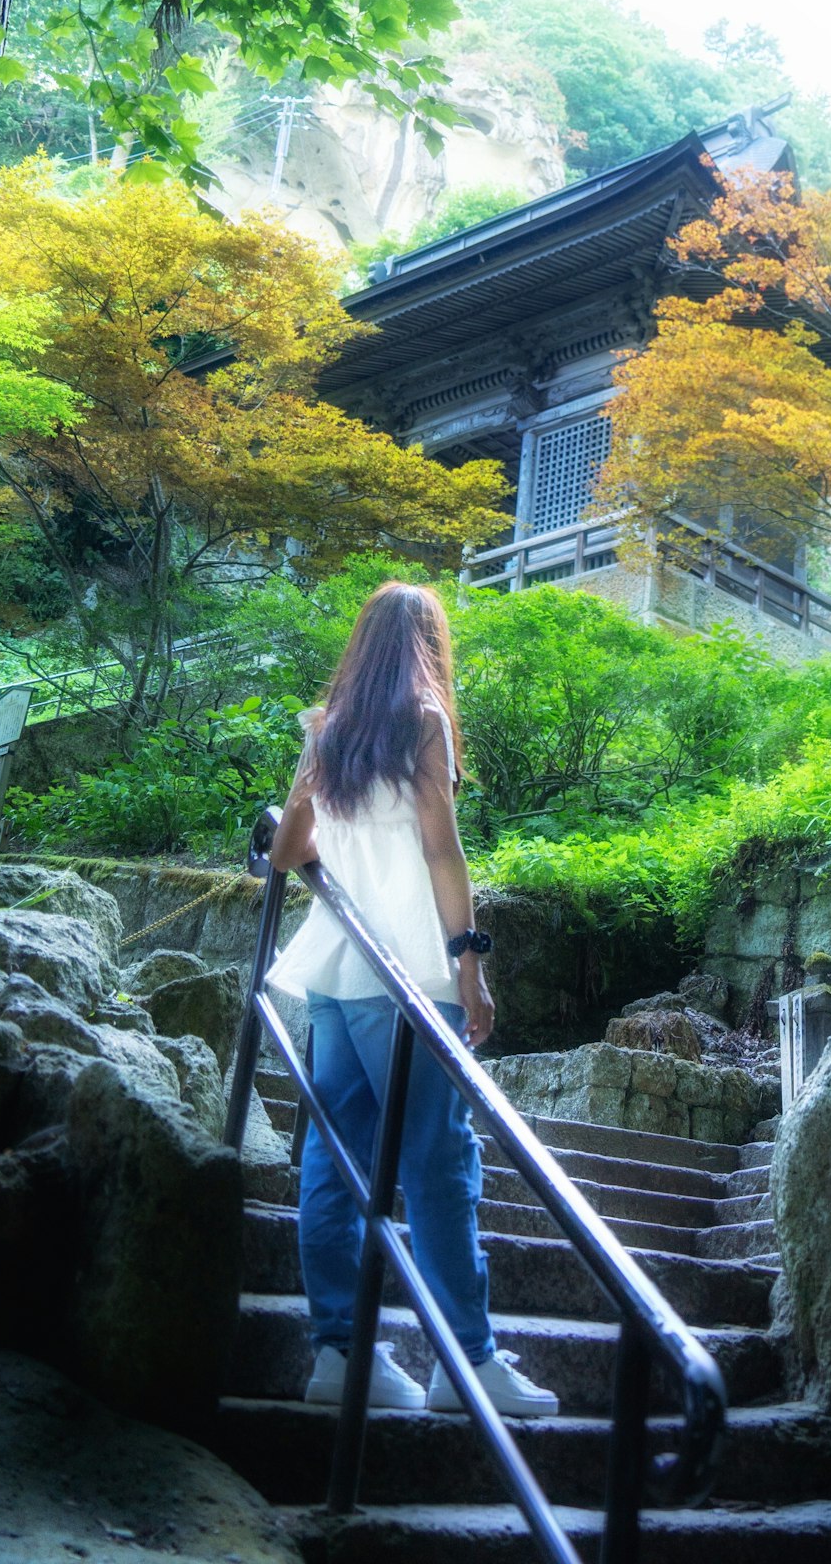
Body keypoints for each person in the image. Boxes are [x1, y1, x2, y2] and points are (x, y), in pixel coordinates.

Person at [267, 579, 559, 1419]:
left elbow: (287, 853)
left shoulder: (327, 732)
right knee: (438, 1160)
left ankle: (340, 1356)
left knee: (335, 1159)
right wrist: (470, 963)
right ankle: (465, 1364)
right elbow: (442, 854)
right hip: (405, 981)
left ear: (361, 645)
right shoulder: (423, 724)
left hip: (333, 973)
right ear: (427, 645)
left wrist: (307, 785)